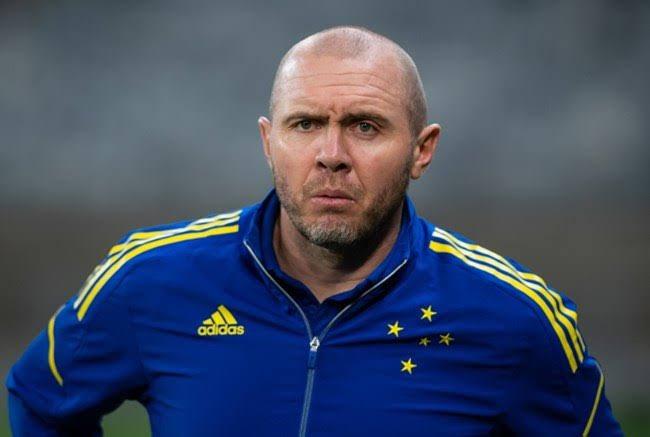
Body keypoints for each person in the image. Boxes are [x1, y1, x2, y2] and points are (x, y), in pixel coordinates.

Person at [6, 26, 622, 436]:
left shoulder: (514, 317)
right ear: (268, 141)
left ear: (422, 150)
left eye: (365, 127)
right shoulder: (149, 280)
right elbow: (40, 400)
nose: (331, 155)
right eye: (304, 125)